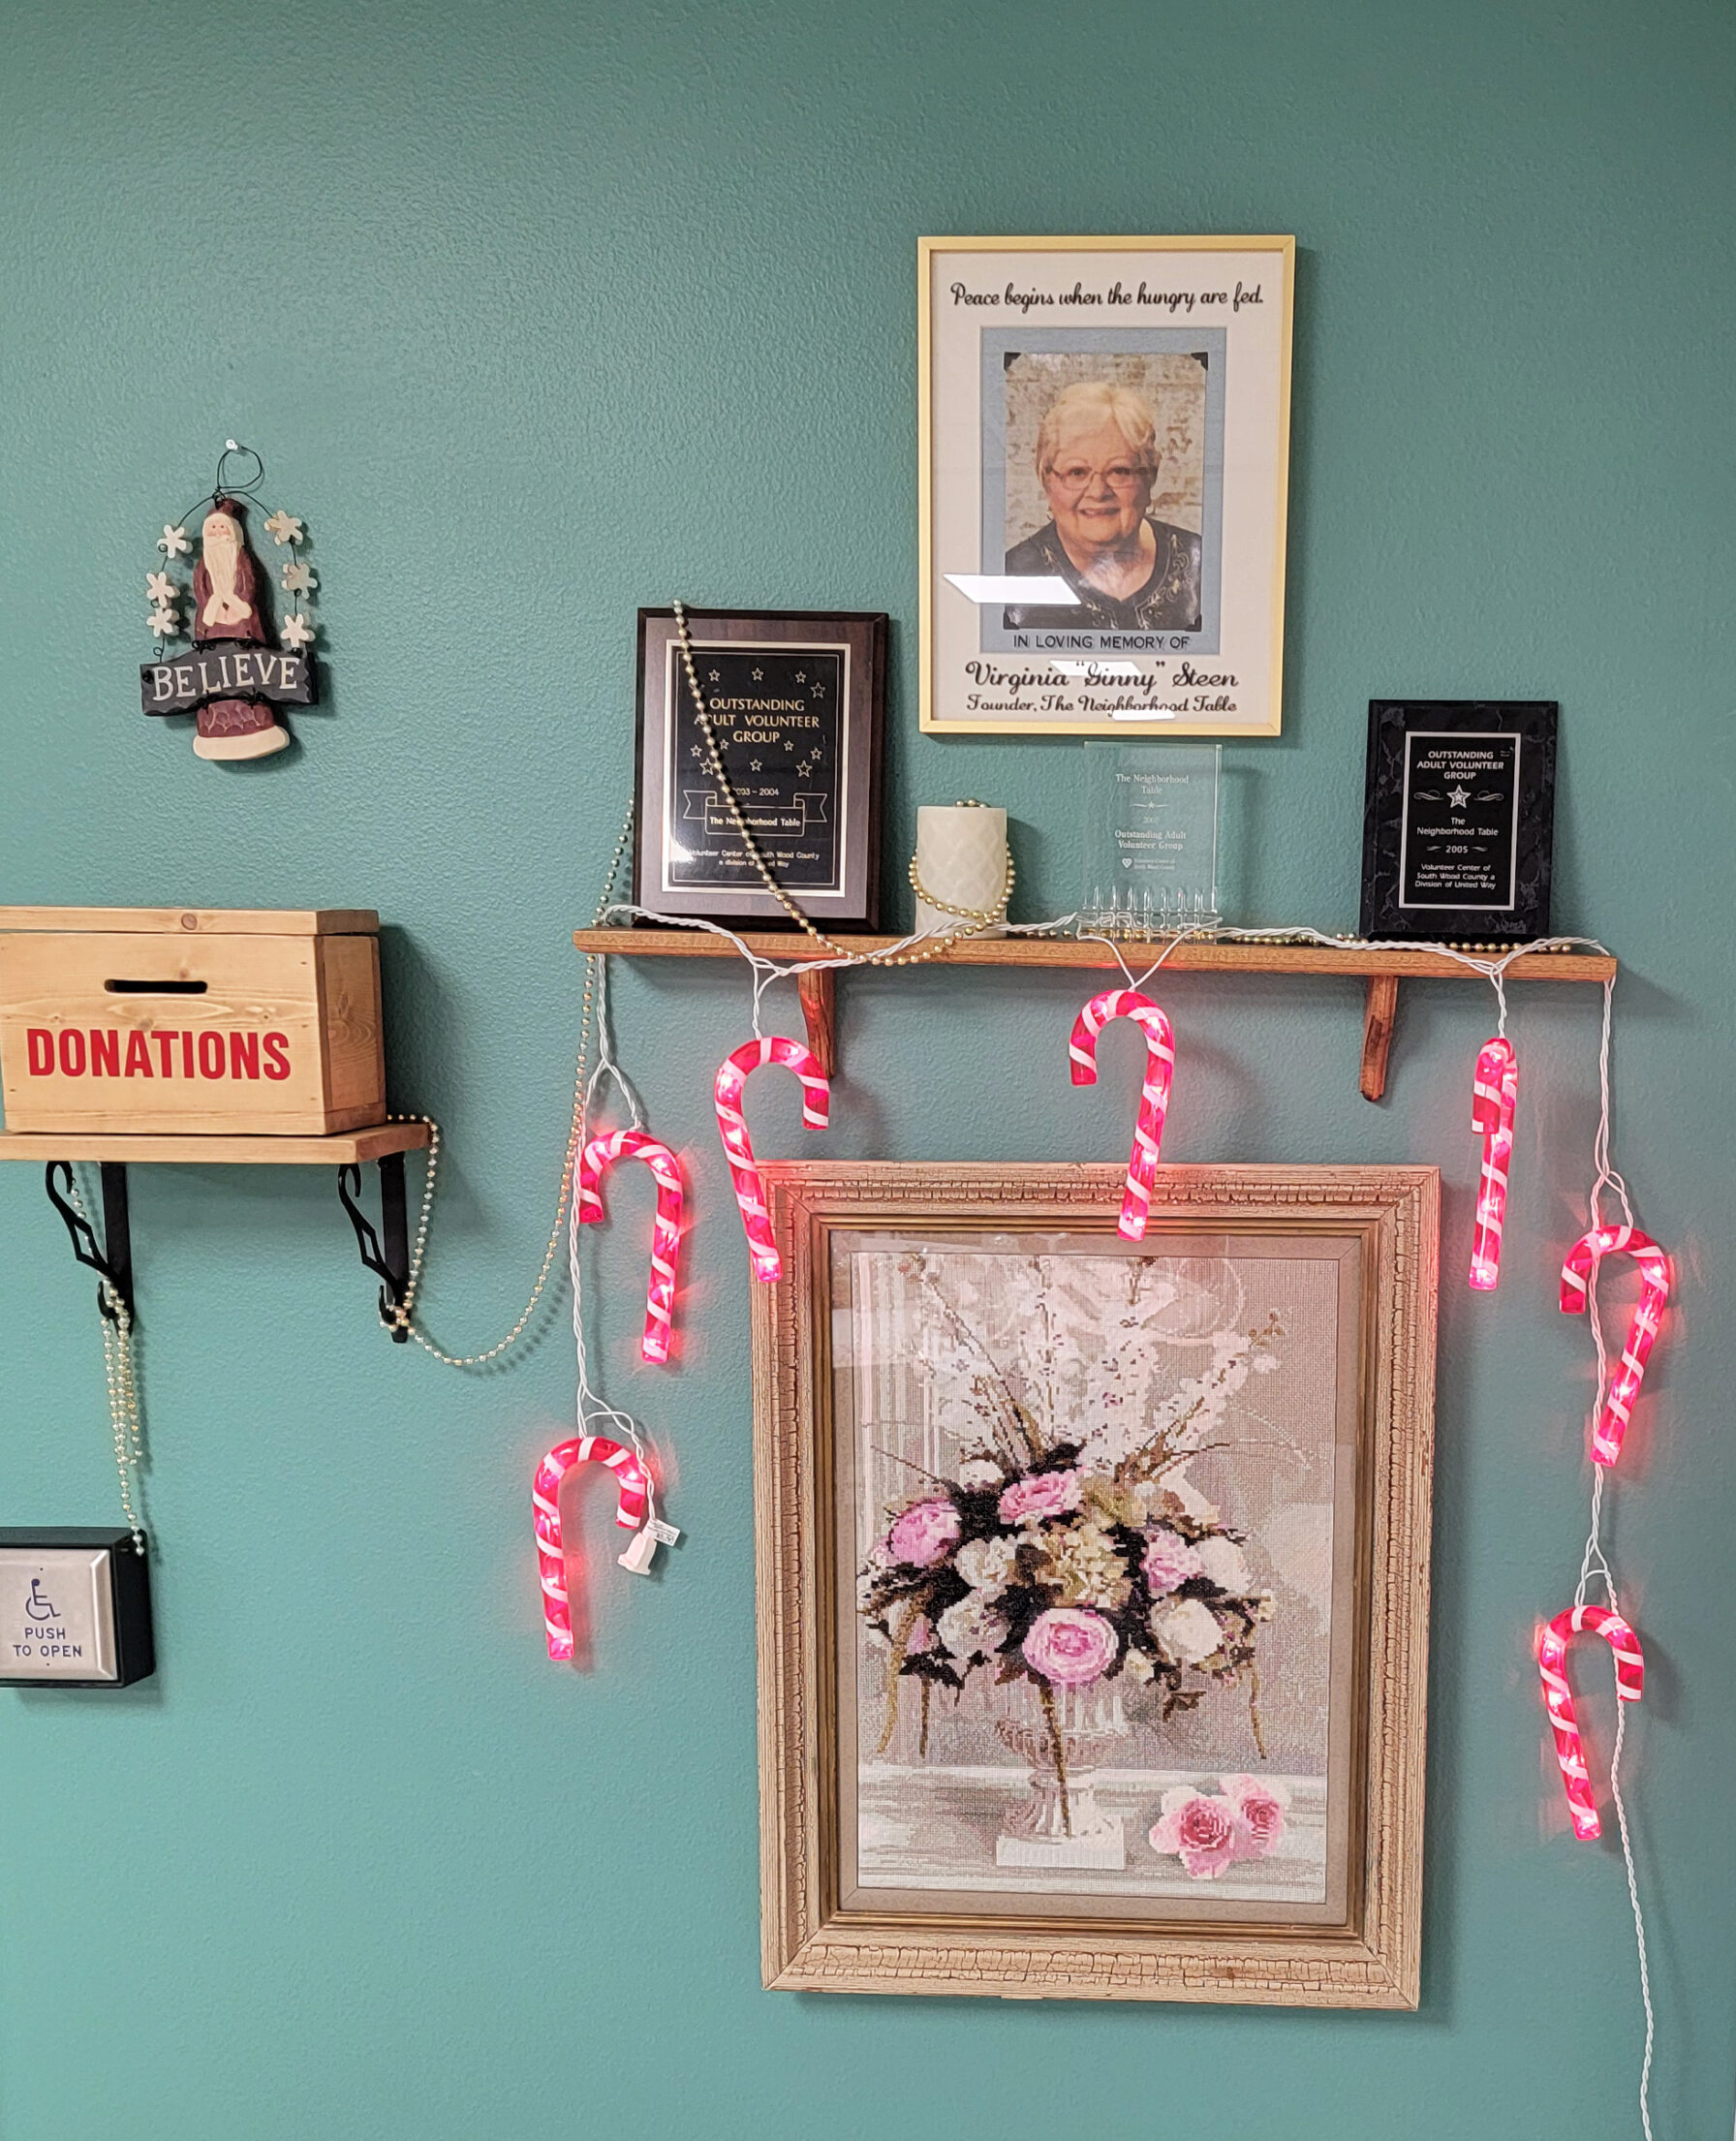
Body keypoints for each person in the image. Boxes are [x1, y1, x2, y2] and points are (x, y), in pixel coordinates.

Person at [1003, 380, 1202, 632]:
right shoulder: (1009, 580)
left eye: (1119, 471)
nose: (1098, 491)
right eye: (1077, 472)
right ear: (1046, 481)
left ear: (1149, 478)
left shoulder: (1202, 565)